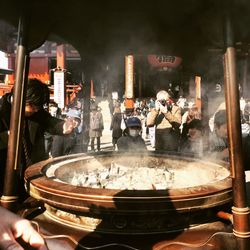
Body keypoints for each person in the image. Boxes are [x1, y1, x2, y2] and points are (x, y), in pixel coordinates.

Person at [0, 78, 75, 195]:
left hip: (32, 171)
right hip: (6, 176)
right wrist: (6, 137)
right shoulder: (1, 112)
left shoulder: (37, 112)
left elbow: (50, 121)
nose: (36, 110)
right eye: (33, 106)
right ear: (23, 98)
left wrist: (63, 126)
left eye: (38, 107)